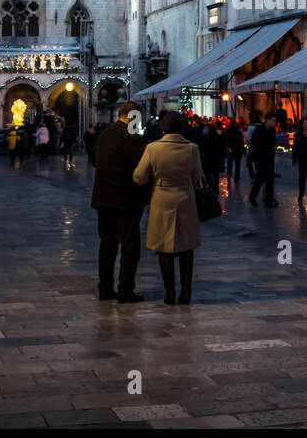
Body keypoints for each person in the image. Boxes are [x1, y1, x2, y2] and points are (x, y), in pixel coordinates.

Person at [132, 111, 202, 305]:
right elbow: (197, 176)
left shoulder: (153, 149)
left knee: (164, 248)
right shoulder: (192, 148)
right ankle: (186, 292)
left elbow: (139, 177)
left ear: (163, 127)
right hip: (186, 199)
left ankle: (170, 293)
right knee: (187, 247)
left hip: (162, 198)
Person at [90, 102, 149, 303]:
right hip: (124, 200)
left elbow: (95, 160)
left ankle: (105, 288)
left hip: (102, 198)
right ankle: (125, 290)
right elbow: (143, 165)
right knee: (130, 245)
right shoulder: (130, 137)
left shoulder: (105, 134)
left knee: (107, 244)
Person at [247, 115, 278, 207]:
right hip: (260, 159)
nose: (274, 122)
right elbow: (254, 144)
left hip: (269, 158)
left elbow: (272, 143)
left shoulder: (272, 130)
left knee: (270, 180)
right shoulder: (259, 130)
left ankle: (268, 200)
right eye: (273, 120)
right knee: (260, 179)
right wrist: (254, 159)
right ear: (267, 120)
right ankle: (252, 196)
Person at [200, 120, 225, 185]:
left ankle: (212, 187)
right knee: (215, 175)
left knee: (208, 174)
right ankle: (216, 189)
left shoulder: (206, 138)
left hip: (208, 159)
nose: (205, 130)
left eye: (206, 129)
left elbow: (204, 149)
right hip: (216, 159)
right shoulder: (217, 137)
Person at [225, 119, 245, 183]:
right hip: (238, 150)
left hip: (230, 150)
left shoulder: (227, 131)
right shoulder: (238, 132)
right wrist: (244, 151)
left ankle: (229, 173)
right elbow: (241, 143)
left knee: (230, 162)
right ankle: (237, 177)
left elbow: (225, 141)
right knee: (237, 164)